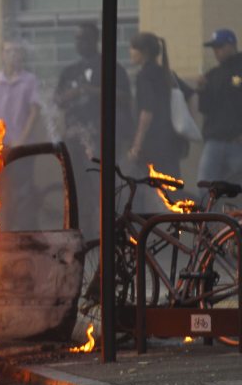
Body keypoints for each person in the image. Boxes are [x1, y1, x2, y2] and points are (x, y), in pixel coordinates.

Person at [55, 23, 134, 237]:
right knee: (78, 183)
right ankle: (84, 229)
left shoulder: (112, 68)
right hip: (75, 137)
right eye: (77, 39)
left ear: (95, 40)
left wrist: (91, 90)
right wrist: (69, 96)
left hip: (103, 136)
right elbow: (57, 100)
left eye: (85, 39)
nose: (80, 44)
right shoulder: (70, 71)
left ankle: (110, 227)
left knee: (103, 182)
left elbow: (125, 97)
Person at [0, 40, 41, 230]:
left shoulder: (30, 81)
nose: (13, 55)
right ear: (2, 55)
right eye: (9, 51)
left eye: (17, 52)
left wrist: (22, 140)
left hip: (21, 148)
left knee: (22, 192)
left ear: (22, 56)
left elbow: (35, 112)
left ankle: (22, 233)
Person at [126, 32, 185, 185]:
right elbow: (190, 95)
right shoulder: (166, 73)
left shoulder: (145, 75)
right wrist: (182, 127)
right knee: (172, 188)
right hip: (170, 142)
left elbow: (147, 112)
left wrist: (136, 147)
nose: (130, 52)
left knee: (147, 190)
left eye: (133, 48)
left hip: (151, 145)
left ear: (144, 51)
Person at [196, 28, 242, 199]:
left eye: (220, 46)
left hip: (237, 142)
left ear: (232, 45)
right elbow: (205, 108)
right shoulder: (213, 74)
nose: (217, 51)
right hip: (214, 141)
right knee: (205, 186)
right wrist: (202, 89)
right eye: (214, 48)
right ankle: (212, 223)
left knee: (236, 190)